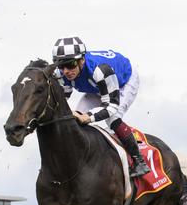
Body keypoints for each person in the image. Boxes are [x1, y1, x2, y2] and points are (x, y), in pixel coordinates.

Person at [52, 36, 150, 177]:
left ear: (82, 60)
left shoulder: (100, 70)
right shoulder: (61, 74)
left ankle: (140, 161)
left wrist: (88, 117)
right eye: (61, 66)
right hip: (97, 86)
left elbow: (111, 106)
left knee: (113, 119)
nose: (66, 71)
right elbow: (63, 100)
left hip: (123, 82)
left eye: (71, 64)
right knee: (73, 121)